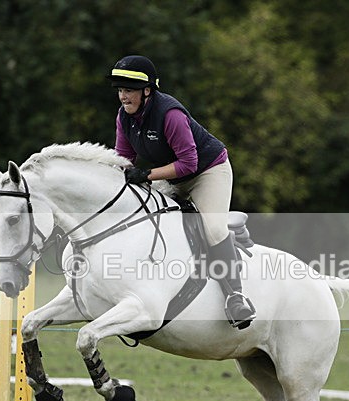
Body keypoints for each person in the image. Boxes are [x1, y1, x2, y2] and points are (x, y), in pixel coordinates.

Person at [108, 54, 256, 329]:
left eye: (128, 90)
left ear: (147, 90)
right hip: (173, 175)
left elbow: (190, 164)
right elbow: (124, 158)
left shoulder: (170, 114)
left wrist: (148, 175)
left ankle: (236, 297)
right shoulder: (124, 117)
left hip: (208, 171)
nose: (123, 96)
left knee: (212, 229)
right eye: (120, 90)